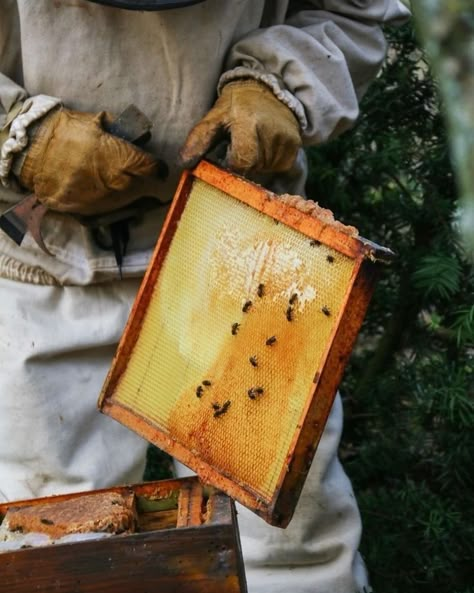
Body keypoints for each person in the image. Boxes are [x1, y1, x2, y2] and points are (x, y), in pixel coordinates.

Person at [0, 1, 409, 591]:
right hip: (44, 266)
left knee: (292, 552)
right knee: (59, 551)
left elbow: (350, 11)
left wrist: (276, 84)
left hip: (246, 254)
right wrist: (20, 135)